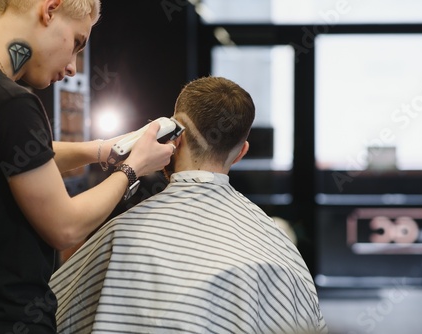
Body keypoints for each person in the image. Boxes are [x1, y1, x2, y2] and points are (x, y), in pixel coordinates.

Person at [0, 0, 175, 333]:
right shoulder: (11, 104)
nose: (72, 66)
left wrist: (100, 150)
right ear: (49, 9)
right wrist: (132, 169)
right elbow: (64, 227)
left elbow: (9, 153)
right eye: (76, 43)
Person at [50, 76, 328, 334]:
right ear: (241, 153)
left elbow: (54, 316)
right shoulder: (280, 248)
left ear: (174, 136)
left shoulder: (121, 234)